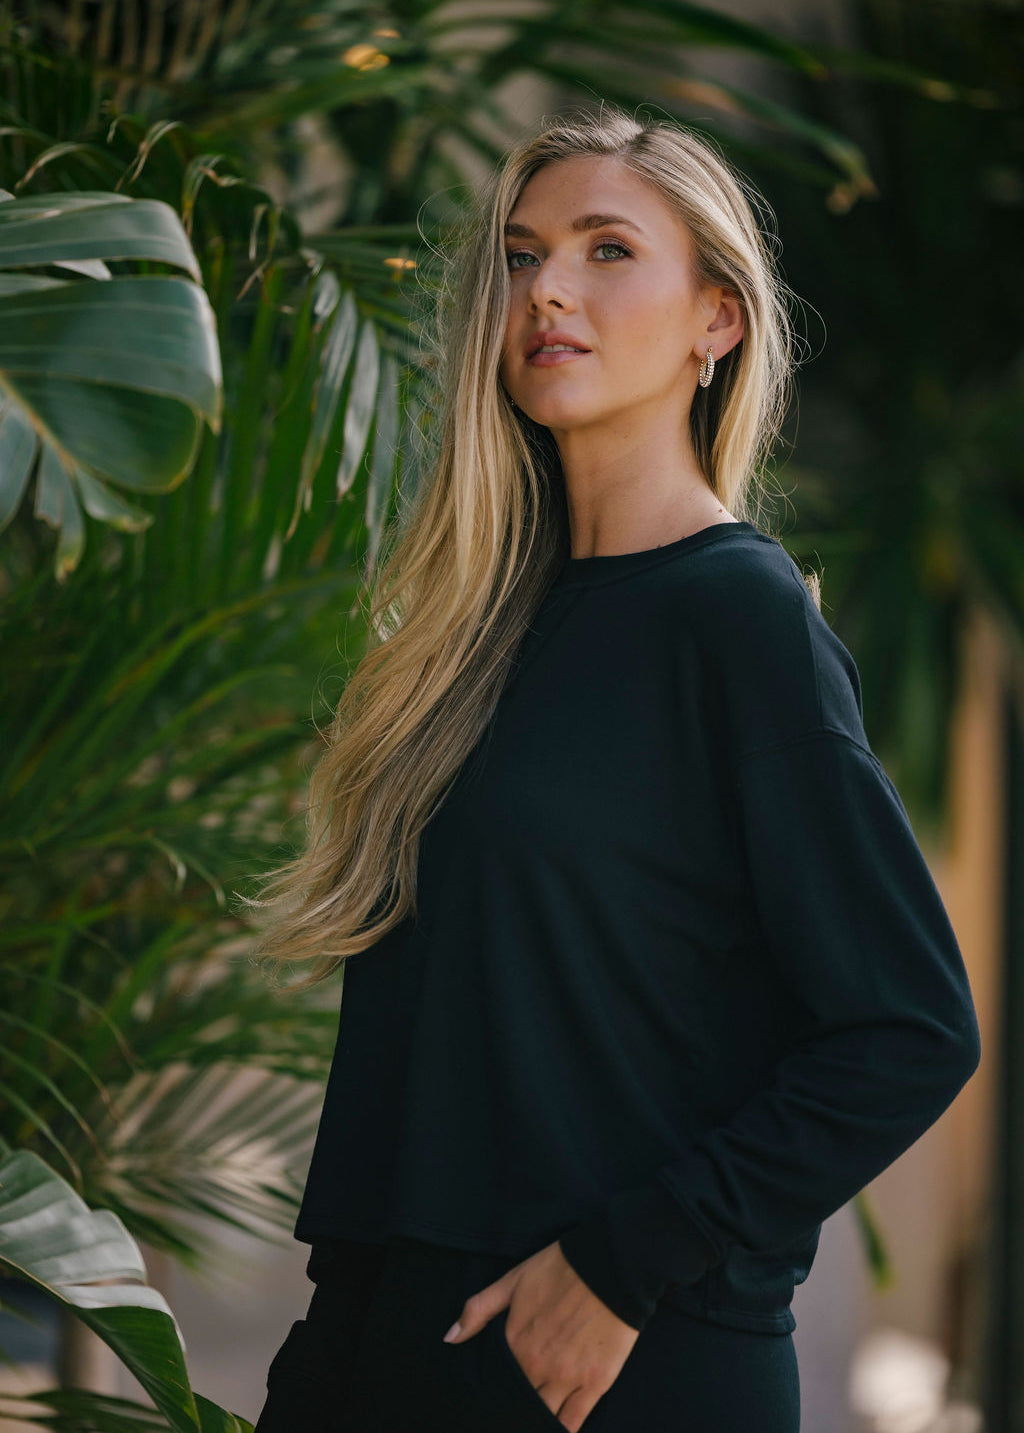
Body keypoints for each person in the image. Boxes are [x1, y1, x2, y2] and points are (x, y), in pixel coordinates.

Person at [251, 106, 981, 1433]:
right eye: (524, 256)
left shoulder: (740, 619)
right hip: (385, 1345)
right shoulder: (473, 631)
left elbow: (909, 1026)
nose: (549, 290)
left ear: (718, 322)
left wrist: (622, 1263)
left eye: (606, 250)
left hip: (614, 1367)